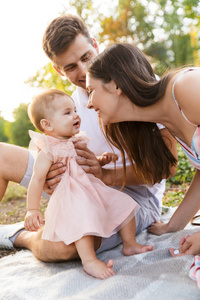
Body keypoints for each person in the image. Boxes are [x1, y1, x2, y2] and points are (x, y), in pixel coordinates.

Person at [0, 15, 177, 263]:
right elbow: (54, 147)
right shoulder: (67, 106)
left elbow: (167, 167)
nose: (83, 72)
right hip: (76, 185)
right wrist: (48, 174)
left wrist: (104, 175)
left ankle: (18, 235)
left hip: (132, 197)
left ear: (95, 44)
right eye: (70, 67)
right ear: (58, 70)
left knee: (67, 246)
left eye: (85, 57)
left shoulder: (142, 84)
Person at [86, 42, 200, 256]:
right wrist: (172, 226)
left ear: (116, 85)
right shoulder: (167, 120)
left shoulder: (186, 87)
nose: (89, 103)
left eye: (91, 90)